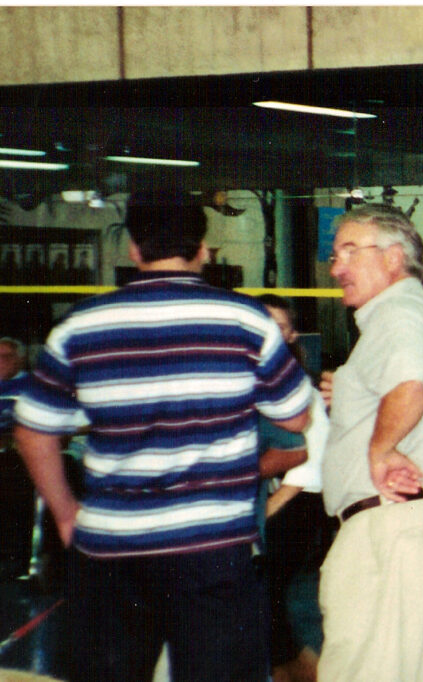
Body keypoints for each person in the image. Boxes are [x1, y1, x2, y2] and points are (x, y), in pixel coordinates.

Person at [13, 191, 313, 682]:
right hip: (213, 550)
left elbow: (32, 431)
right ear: (202, 249)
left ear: (133, 248)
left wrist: (65, 512)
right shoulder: (245, 319)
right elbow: (296, 417)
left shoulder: (80, 325)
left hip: (113, 551)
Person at [317, 204, 423, 680]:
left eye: (350, 252)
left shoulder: (396, 313)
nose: (337, 268)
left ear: (392, 258)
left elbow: (410, 387)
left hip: (387, 529)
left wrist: (380, 450)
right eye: (335, 255)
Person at [256, 294, 331, 682]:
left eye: (278, 326)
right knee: (269, 622)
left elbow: (310, 466)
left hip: (297, 506)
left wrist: (265, 511)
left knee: (269, 613)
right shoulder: (254, 385)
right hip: (274, 506)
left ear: (290, 336)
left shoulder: (298, 388)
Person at [0, 337, 34, 579]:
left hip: (19, 456)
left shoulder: (34, 386)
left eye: (6, 356)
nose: (0, 362)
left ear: (21, 359)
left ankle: (13, 558)